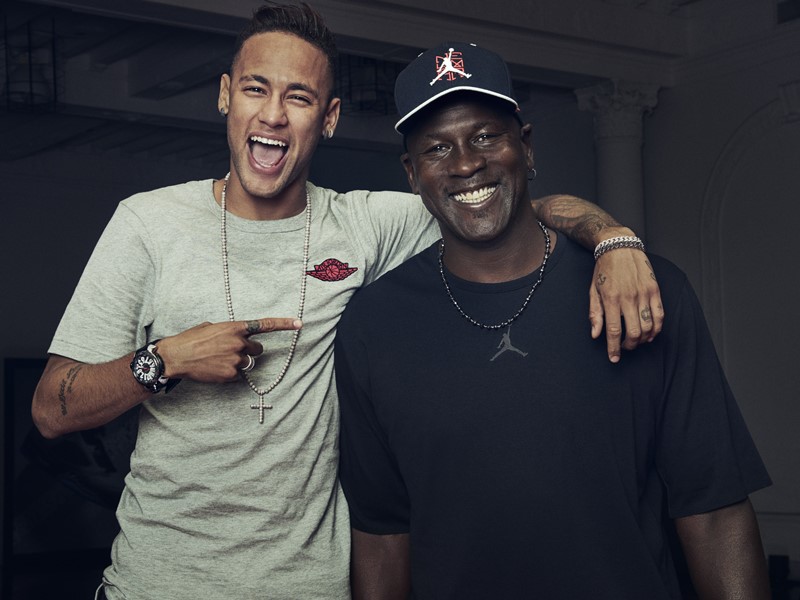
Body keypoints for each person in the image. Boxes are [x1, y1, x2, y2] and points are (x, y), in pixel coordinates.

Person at [31, 5, 659, 600]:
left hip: (311, 587)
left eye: (298, 97)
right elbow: (51, 408)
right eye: (255, 89)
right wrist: (166, 360)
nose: (273, 115)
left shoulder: (364, 225)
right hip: (157, 585)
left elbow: (505, 203)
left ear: (328, 118)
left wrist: (614, 239)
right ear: (225, 95)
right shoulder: (147, 223)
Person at [335, 42, 772, 599]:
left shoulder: (645, 293)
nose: (466, 163)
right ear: (412, 173)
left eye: (485, 136)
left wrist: (611, 238)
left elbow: (713, 510)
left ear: (526, 146)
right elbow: (381, 534)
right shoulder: (374, 325)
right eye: (437, 148)